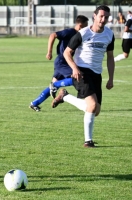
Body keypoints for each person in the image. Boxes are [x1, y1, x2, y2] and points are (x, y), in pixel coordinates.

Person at [51, 5, 115, 148]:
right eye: (101, 16)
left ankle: (65, 96)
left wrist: (111, 78)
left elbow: (110, 57)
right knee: (91, 106)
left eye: (106, 17)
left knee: (95, 111)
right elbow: (67, 53)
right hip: (81, 73)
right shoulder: (83, 33)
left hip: (97, 75)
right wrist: (74, 68)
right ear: (94, 16)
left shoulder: (109, 35)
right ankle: (88, 141)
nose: (103, 19)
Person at [29, 15, 89, 112]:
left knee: (51, 88)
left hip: (64, 62)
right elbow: (53, 35)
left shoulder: (79, 35)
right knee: (76, 77)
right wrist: (49, 52)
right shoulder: (70, 32)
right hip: (62, 62)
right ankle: (57, 86)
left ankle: (34, 103)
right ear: (80, 25)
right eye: (86, 25)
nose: (87, 28)